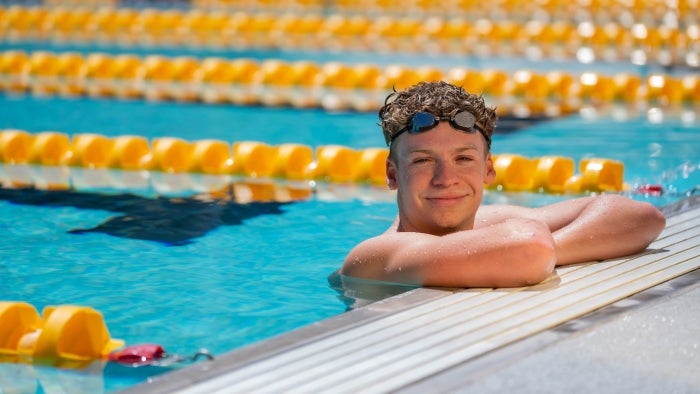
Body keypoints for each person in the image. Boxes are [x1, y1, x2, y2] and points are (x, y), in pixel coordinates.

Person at [340, 81, 666, 288]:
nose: (446, 179)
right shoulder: (374, 256)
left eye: (464, 159)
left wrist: (545, 246)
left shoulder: (485, 224)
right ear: (393, 175)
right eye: (423, 161)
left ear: (488, 170)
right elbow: (529, 250)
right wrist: (526, 246)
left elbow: (641, 216)